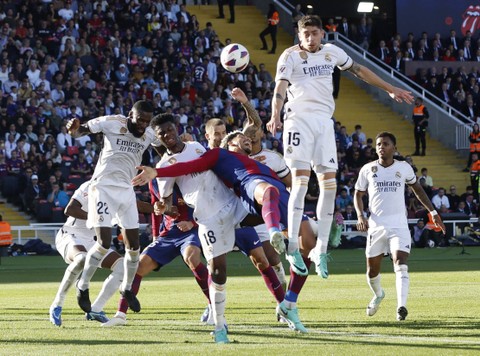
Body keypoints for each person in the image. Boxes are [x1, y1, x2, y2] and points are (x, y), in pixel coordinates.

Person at [267, 15, 414, 280]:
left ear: (322, 33)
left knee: (329, 185)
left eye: (314, 33)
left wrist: (389, 87)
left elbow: (358, 70)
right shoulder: (289, 56)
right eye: (306, 34)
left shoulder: (332, 52)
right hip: (298, 120)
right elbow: (280, 87)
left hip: (324, 123)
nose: (310, 38)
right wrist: (275, 113)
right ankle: (291, 248)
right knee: (299, 184)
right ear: (299, 36)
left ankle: (320, 249)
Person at [66, 100, 162, 315]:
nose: (142, 125)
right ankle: (83, 286)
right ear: (130, 115)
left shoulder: (148, 134)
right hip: (103, 188)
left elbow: (165, 152)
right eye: (140, 120)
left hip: (126, 190)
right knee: (104, 242)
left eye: (147, 122)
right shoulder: (111, 122)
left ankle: (127, 289)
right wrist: (74, 129)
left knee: (134, 246)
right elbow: (80, 131)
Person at [354, 132, 445, 321]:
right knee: (372, 271)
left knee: (400, 263)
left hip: (399, 225)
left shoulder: (403, 168)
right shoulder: (368, 169)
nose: (381, 147)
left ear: (394, 148)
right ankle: (379, 294)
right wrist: (360, 216)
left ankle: (401, 307)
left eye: (385, 144)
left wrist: (433, 213)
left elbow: (418, 190)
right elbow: (358, 194)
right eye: (378, 144)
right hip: (376, 226)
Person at [49, 181, 125, 326]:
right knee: (82, 259)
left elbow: (138, 205)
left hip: (92, 240)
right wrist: (95, 218)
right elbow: (69, 209)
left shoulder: (120, 191)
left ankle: (96, 309)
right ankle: (57, 304)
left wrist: (163, 209)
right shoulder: (90, 186)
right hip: (70, 234)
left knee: (122, 266)